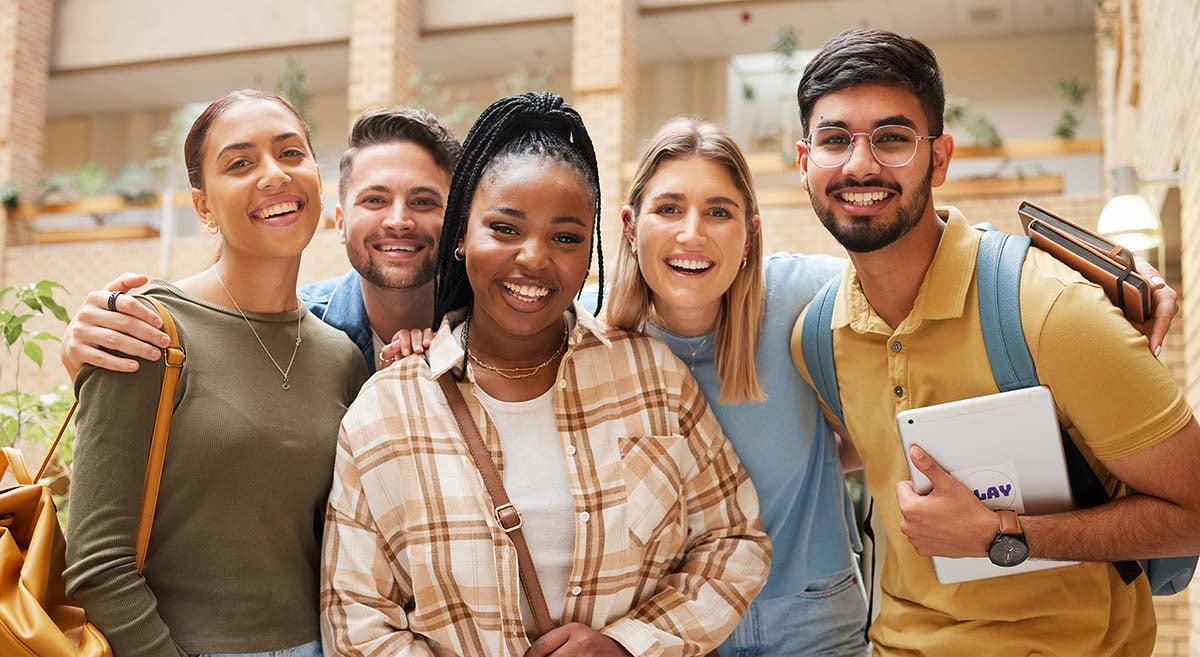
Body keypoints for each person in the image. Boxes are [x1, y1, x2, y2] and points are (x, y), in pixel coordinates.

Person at [789, 30, 1200, 656]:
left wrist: (1002, 534)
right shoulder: (817, 337)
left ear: (941, 157)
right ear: (804, 161)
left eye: (894, 139)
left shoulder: (1051, 309)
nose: (860, 165)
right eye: (835, 139)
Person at [321, 92, 770, 657]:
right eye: (505, 229)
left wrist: (626, 645)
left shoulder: (652, 377)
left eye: (564, 238)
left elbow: (734, 539)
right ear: (461, 236)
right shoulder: (383, 413)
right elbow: (357, 622)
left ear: (592, 252)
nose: (534, 258)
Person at [63, 90, 368, 657]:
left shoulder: (340, 355)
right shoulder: (146, 329)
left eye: (291, 153)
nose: (274, 175)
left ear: (318, 182)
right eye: (240, 163)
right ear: (203, 206)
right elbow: (97, 562)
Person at [602, 116, 867, 657]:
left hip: (812, 610)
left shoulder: (805, 298)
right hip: (667, 620)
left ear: (749, 233)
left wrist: (815, 453)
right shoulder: (586, 334)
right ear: (631, 227)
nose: (692, 233)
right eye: (669, 208)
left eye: (718, 212)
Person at [58, 106, 461, 377]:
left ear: (457, 221)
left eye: (423, 201)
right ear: (339, 222)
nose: (398, 221)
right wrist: (78, 356)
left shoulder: (490, 330)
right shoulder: (292, 330)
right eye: (374, 200)